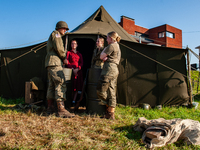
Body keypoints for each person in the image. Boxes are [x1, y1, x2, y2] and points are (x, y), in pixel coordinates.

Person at [45, 21, 75, 118]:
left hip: (50, 63)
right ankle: (61, 109)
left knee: (51, 85)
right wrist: (64, 58)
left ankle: (50, 108)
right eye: (64, 28)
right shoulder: (57, 34)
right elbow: (59, 48)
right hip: (55, 63)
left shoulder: (53, 35)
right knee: (60, 82)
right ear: (59, 28)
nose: (65, 30)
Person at [96, 31, 121, 120]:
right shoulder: (117, 46)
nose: (106, 39)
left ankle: (110, 106)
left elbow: (101, 56)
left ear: (111, 38)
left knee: (100, 90)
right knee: (111, 91)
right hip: (114, 69)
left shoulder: (111, 46)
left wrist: (104, 51)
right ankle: (110, 113)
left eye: (107, 38)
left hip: (109, 70)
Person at [64, 40, 83, 104]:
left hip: (78, 72)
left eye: (75, 44)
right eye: (72, 44)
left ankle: (74, 101)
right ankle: (70, 99)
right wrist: (72, 69)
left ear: (77, 45)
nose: (73, 45)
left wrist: (78, 69)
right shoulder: (69, 53)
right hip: (70, 72)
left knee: (77, 87)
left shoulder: (79, 54)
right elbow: (67, 61)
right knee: (71, 86)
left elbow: (81, 63)